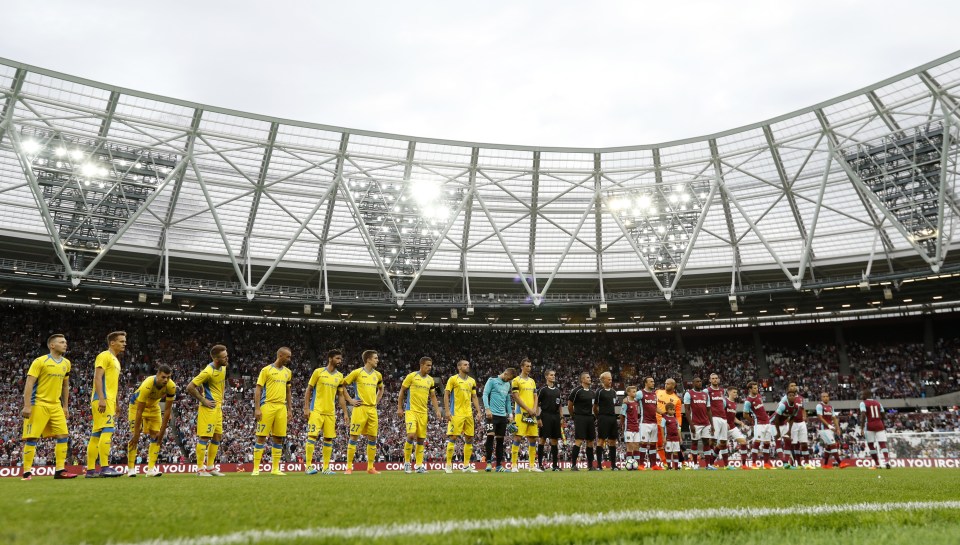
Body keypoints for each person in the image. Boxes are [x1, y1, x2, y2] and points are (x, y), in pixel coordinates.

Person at [19, 334, 77, 480]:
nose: (65, 344)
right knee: (32, 438)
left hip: (56, 405)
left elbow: (65, 386)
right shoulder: (40, 361)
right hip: (38, 403)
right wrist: (27, 405)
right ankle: (26, 473)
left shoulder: (66, 363)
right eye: (61, 342)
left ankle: (60, 471)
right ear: (52, 345)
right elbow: (29, 383)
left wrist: (65, 406)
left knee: (63, 435)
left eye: (65, 342)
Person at [86, 331, 126, 478]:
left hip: (109, 399)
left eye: (124, 341)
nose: (124, 343)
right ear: (112, 343)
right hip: (102, 399)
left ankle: (90, 470)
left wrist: (116, 403)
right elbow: (97, 377)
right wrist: (102, 398)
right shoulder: (104, 356)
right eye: (121, 341)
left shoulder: (116, 360)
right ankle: (105, 467)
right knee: (108, 430)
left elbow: (112, 384)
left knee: (96, 433)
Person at [303, 349, 349, 475]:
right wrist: (306, 408)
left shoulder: (339, 376)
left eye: (341, 359)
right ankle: (308, 466)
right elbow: (309, 389)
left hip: (330, 412)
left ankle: (326, 468)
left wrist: (345, 413)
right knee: (312, 436)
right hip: (316, 410)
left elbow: (340, 396)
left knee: (328, 439)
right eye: (337, 358)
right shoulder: (318, 372)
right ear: (330, 358)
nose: (340, 361)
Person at [186, 344, 229, 477]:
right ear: (216, 359)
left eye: (227, 355)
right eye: (224, 357)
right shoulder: (207, 371)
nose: (227, 358)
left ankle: (210, 467)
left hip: (218, 408)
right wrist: (203, 400)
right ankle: (200, 469)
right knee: (205, 437)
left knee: (217, 437)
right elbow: (190, 387)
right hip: (208, 408)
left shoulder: (223, 367)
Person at [126, 365, 176, 477]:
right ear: (157, 374)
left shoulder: (171, 386)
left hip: (153, 407)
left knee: (157, 436)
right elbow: (139, 410)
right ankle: (131, 469)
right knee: (135, 436)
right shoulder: (147, 384)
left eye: (168, 377)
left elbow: (167, 410)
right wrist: (137, 432)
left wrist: (162, 431)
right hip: (136, 406)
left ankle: (151, 469)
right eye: (163, 377)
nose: (166, 380)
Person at [252, 347, 293, 476]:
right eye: (288, 356)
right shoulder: (266, 370)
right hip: (267, 406)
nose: (289, 359)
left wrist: (290, 409)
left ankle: (275, 468)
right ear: (280, 355)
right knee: (261, 437)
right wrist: (257, 408)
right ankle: (256, 468)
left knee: (278, 438)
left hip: (281, 407)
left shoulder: (288, 372)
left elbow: (288, 391)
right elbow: (258, 389)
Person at [342, 350, 384, 475]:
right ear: (368, 360)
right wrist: (350, 400)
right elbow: (342, 384)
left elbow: (381, 389)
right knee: (354, 436)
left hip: (372, 409)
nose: (377, 360)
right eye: (375, 358)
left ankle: (370, 467)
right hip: (359, 408)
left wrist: (376, 402)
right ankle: (349, 467)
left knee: (373, 438)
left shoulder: (378, 375)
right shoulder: (357, 372)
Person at [398, 357, 442, 474]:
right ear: (421, 365)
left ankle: (418, 465)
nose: (429, 368)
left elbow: (433, 396)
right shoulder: (412, 376)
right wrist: (399, 407)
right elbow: (402, 391)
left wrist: (437, 410)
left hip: (423, 412)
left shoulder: (430, 380)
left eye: (431, 366)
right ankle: (407, 463)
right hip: (411, 410)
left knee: (421, 440)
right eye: (427, 365)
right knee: (411, 435)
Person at [444, 359, 482, 473]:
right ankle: (448, 465)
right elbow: (446, 395)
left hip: (468, 413)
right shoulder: (453, 379)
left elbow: (474, 397)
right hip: (456, 413)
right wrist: (447, 411)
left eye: (468, 365)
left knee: (469, 438)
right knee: (453, 437)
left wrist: (479, 411)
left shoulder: (472, 381)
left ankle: (466, 466)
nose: (467, 366)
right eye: (465, 365)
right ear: (459, 367)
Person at [481, 367, 516, 472]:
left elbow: (507, 400)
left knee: (500, 440)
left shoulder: (507, 384)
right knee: (490, 437)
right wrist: (487, 409)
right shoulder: (492, 380)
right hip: (491, 415)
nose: (509, 380)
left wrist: (510, 414)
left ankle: (499, 466)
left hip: (502, 416)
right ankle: (488, 463)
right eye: (509, 378)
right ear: (505, 373)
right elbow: (485, 394)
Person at [510, 358, 541, 473]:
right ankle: (514, 465)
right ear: (521, 367)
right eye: (527, 366)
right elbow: (516, 397)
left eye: (530, 366)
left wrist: (534, 409)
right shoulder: (516, 380)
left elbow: (535, 396)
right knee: (518, 437)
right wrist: (528, 409)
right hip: (521, 413)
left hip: (531, 413)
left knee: (533, 438)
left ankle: (532, 465)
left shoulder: (532, 381)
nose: (529, 368)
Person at [683, 376, 714, 469]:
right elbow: (687, 410)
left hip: (706, 423)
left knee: (706, 443)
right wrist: (691, 424)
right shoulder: (689, 394)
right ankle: (696, 464)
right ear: (693, 383)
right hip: (695, 423)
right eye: (697, 381)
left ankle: (708, 465)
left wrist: (712, 424)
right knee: (694, 443)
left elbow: (709, 410)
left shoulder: (705, 395)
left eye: (700, 381)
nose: (699, 383)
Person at [567, 372, 596, 471]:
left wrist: (594, 416)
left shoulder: (592, 392)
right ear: (582, 380)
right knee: (579, 440)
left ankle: (590, 465)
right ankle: (573, 465)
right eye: (588, 377)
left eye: (590, 377)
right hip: (579, 417)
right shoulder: (577, 391)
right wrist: (573, 416)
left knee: (590, 442)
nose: (590, 379)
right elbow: (570, 405)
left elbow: (594, 407)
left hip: (590, 418)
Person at [743, 381, 774, 469]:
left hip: (767, 422)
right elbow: (745, 414)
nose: (757, 389)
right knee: (757, 442)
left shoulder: (759, 396)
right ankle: (753, 463)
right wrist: (752, 421)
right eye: (754, 388)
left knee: (767, 443)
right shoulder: (748, 401)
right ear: (750, 389)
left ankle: (766, 464)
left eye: (757, 388)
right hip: (759, 424)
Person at [536, 369, 562, 471]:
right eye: (551, 375)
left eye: (554, 375)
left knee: (555, 440)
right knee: (542, 439)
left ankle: (555, 466)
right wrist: (538, 418)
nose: (553, 376)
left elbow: (559, 405)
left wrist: (562, 417)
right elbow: (536, 404)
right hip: (545, 415)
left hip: (555, 416)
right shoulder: (543, 390)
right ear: (546, 377)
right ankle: (540, 464)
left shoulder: (557, 391)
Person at [593, 372, 619, 471]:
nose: (610, 380)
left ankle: (613, 465)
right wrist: (598, 416)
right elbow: (595, 407)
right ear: (603, 380)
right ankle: (599, 465)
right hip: (603, 417)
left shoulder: (613, 392)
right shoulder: (599, 392)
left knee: (613, 441)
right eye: (608, 379)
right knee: (601, 440)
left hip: (612, 418)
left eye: (611, 379)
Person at [859, 390, 891, 469]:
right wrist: (879, 420)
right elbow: (883, 415)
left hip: (870, 425)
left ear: (866, 395)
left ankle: (877, 464)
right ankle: (887, 461)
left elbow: (863, 415)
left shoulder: (863, 403)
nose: (861, 396)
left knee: (871, 445)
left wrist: (862, 428)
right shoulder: (878, 403)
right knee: (882, 444)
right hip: (879, 425)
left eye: (862, 394)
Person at [773, 386, 802, 470]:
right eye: (790, 396)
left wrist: (789, 431)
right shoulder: (783, 405)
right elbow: (776, 419)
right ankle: (784, 463)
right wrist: (778, 432)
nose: (792, 397)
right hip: (773, 424)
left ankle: (786, 462)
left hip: (783, 424)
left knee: (788, 440)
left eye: (793, 395)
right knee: (778, 441)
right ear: (787, 397)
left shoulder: (796, 407)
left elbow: (792, 419)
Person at [655, 378, 683, 465]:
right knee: (658, 444)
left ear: (673, 385)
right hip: (655, 421)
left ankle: (680, 462)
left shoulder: (676, 399)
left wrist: (679, 426)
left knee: (673, 445)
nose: (666, 385)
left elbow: (678, 415)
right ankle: (665, 463)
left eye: (668, 384)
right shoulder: (658, 392)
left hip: (668, 425)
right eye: (665, 383)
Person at [637, 376, 662, 470]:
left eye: (653, 381)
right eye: (651, 381)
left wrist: (664, 413)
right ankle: (641, 465)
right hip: (645, 422)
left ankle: (653, 465)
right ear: (646, 383)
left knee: (652, 444)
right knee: (643, 443)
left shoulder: (654, 395)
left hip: (654, 422)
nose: (653, 383)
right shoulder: (640, 393)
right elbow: (634, 402)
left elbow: (655, 408)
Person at [706, 373, 729, 468]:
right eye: (713, 378)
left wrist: (726, 420)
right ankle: (709, 463)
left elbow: (722, 406)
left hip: (723, 418)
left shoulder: (722, 391)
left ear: (718, 380)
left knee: (723, 441)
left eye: (716, 378)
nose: (715, 380)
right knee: (712, 440)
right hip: (714, 417)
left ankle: (725, 465)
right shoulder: (707, 391)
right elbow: (705, 406)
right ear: (710, 380)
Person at [724, 387, 751, 470]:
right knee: (721, 446)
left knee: (743, 442)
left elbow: (733, 417)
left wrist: (740, 422)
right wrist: (724, 423)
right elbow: (720, 413)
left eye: (736, 392)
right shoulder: (724, 401)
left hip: (732, 427)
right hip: (724, 427)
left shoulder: (734, 404)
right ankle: (719, 464)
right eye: (734, 392)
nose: (736, 393)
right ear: (729, 392)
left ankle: (743, 465)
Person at [816, 391, 842, 469]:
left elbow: (834, 418)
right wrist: (829, 426)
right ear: (821, 398)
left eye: (827, 396)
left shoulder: (831, 407)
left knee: (828, 447)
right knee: (833, 444)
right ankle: (840, 463)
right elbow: (820, 417)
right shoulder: (819, 406)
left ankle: (825, 464)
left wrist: (838, 428)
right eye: (823, 396)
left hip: (829, 429)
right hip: (823, 429)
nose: (825, 398)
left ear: (829, 397)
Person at [619, 385, 640, 468]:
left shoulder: (636, 402)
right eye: (633, 391)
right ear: (628, 393)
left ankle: (636, 465)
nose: (635, 393)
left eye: (635, 391)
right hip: (629, 427)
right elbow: (622, 415)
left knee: (636, 446)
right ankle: (628, 464)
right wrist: (622, 426)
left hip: (636, 427)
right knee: (630, 446)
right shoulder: (625, 403)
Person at [660, 402, 682, 470]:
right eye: (671, 409)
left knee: (675, 452)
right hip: (668, 438)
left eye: (673, 409)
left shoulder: (675, 419)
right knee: (669, 452)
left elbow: (678, 429)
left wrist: (680, 438)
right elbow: (662, 428)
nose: (672, 411)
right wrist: (663, 438)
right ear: (667, 410)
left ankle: (676, 467)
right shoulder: (665, 418)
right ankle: (669, 466)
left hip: (675, 438)